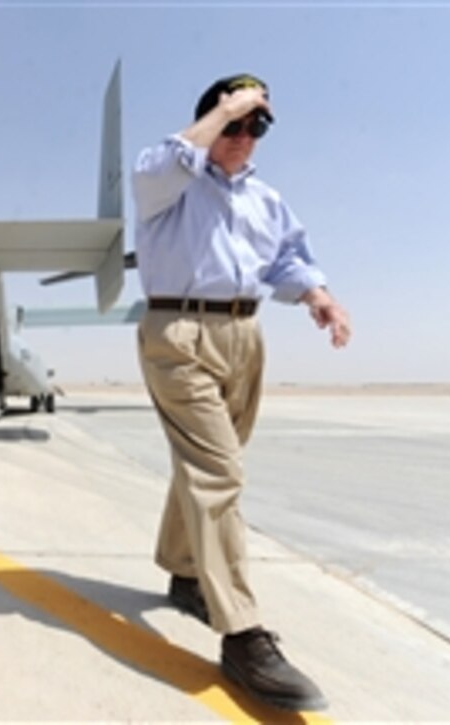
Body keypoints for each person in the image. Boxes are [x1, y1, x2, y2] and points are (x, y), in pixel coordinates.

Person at [131, 74, 351, 712]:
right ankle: (243, 635)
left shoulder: (266, 198)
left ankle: (184, 569)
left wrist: (319, 297)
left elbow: (287, 258)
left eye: (256, 127)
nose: (245, 138)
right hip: (179, 330)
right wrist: (224, 109)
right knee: (219, 473)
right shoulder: (169, 182)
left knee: (210, 467)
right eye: (234, 124)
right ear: (210, 121)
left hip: (243, 336)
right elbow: (159, 165)